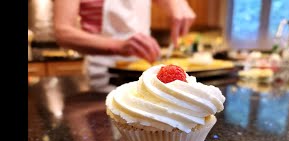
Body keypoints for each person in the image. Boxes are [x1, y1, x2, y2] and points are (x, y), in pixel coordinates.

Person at [54, 0, 195, 92]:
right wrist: (120, 45)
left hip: (146, 73)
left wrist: (176, 3)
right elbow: (63, 32)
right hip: (106, 77)